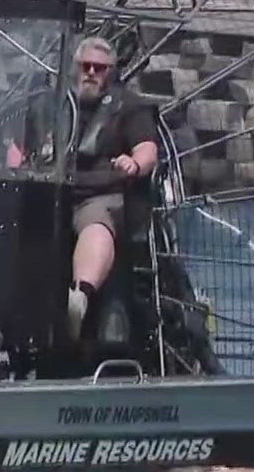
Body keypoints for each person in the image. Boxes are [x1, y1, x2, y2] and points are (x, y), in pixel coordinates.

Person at [8, 35, 159, 335]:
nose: (91, 72)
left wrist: (134, 164)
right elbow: (18, 146)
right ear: (74, 68)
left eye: (99, 68)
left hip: (99, 192)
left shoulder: (129, 107)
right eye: (86, 66)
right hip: (48, 189)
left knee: (96, 224)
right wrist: (14, 171)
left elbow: (148, 150)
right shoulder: (46, 103)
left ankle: (80, 295)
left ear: (111, 72)